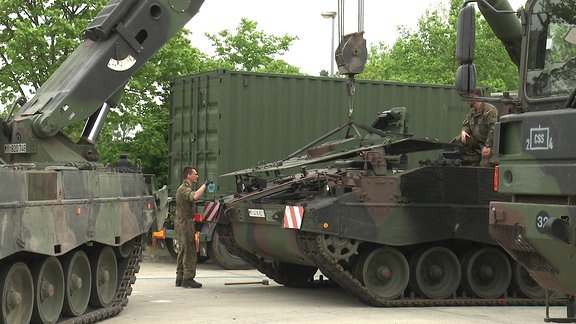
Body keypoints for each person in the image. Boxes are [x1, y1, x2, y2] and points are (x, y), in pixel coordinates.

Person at [175, 166, 210, 288]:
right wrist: (205, 185)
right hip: (185, 222)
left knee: (182, 249)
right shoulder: (183, 189)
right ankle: (188, 278)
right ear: (188, 175)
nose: (197, 176)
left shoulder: (184, 188)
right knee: (189, 249)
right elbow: (195, 196)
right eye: (195, 174)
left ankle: (180, 278)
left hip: (183, 221)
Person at [459, 88, 499, 167]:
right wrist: (464, 131)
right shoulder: (473, 112)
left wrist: (488, 146)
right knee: (460, 139)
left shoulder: (489, 110)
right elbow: (466, 125)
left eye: (468, 98)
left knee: (485, 167)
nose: (467, 101)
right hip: (479, 145)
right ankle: (473, 161)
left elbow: (493, 129)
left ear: (475, 97)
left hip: (490, 146)